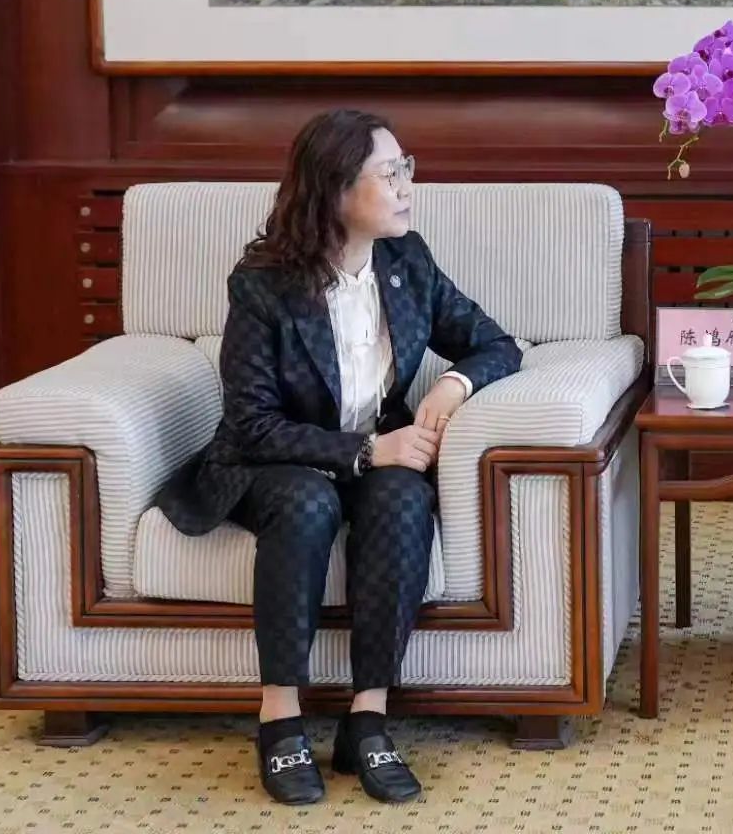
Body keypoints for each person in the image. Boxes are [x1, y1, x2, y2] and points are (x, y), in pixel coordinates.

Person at [154, 108, 522, 805]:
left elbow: (494, 343)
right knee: (307, 500)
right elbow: (252, 424)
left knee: (405, 495)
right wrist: (368, 448)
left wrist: (453, 383)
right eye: (389, 173)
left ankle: (368, 719)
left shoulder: (405, 261)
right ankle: (280, 719)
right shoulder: (263, 283)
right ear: (336, 188)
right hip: (269, 464)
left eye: (406, 167)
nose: (407, 185)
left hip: (368, 457)